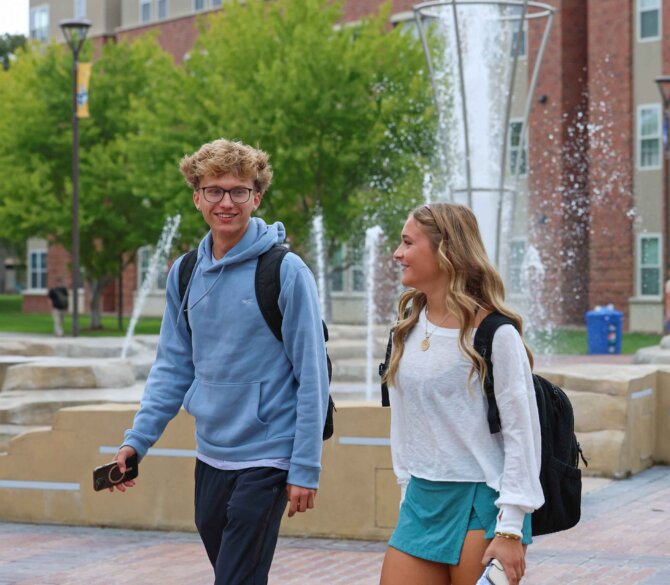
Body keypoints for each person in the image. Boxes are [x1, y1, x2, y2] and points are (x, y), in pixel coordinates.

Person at [108, 139, 330, 585]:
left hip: (269, 455)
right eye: (214, 190)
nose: (226, 202)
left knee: (235, 578)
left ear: (257, 197)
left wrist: (305, 467)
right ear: (197, 197)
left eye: (238, 191)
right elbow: (172, 367)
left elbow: (313, 377)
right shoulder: (185, 272)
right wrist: (137, 442)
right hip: (211, 454)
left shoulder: (285, 271)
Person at [380, 203, 543, 585]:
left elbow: (523, 434)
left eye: (407, 243)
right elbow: (404, 424)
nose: (397, 253)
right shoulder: (404, 332)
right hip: (421, 498)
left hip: (481, 501)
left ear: (445, 251)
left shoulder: (495, 334)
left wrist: (511, 529)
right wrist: (406, 493)